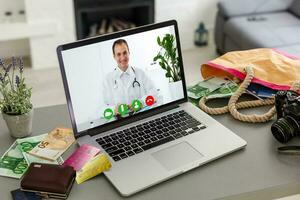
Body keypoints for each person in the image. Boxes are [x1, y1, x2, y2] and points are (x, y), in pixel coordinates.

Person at [102, 39, 159, 116]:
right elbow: (101, 109)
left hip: (141, 117)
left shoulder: (140, 73)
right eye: (118, 54)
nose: (122, 57)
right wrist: (114, 109)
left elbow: (154, 93)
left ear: (129, 52)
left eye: (125, 53)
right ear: (114, 56)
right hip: (119, 122)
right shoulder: (107, 80)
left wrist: (141, 102)